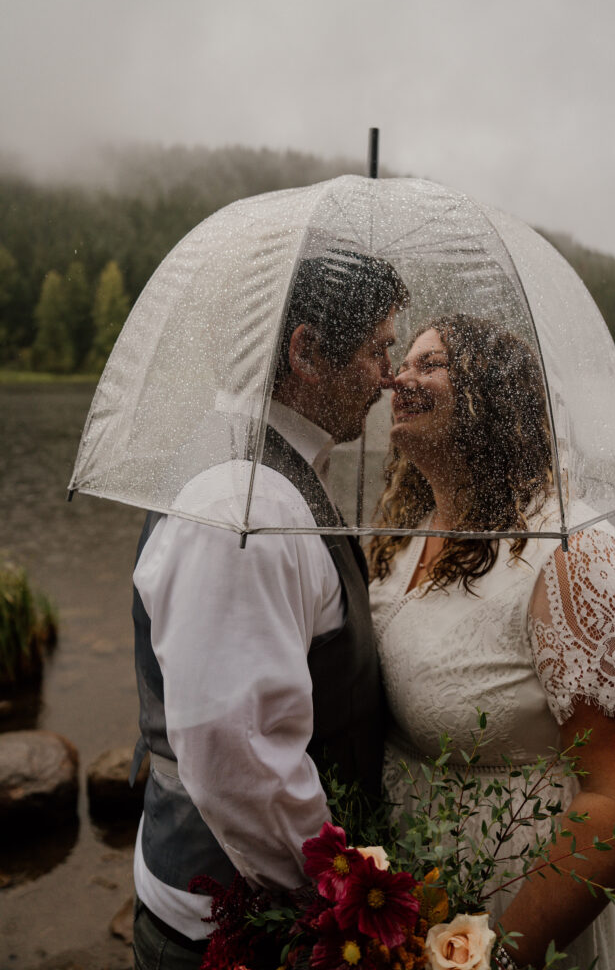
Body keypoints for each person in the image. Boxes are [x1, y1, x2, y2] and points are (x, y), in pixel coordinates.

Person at [130, 250, 408, 969]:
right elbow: (236, 751)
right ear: (307, 351)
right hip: (230, 924)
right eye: (378, 348)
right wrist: (343, 901)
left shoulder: (267, 468)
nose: (388, 375)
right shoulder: (243, 506)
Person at [368, 313, 615, 970]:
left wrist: (498, 957)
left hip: (523, 902)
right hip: (415, 899)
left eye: (430, 363)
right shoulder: (399, 537)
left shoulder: (573, 556)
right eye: (401, 362)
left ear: (493, 394)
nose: (399, 378)